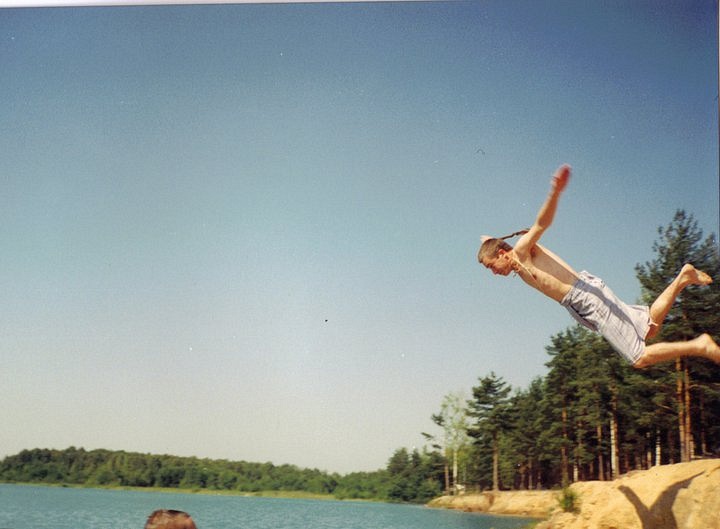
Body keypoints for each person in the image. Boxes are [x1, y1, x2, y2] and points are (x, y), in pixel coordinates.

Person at [477, 163, 719, 368]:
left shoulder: (520, 251)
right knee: (649, 329)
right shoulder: (514, 261)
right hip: (580, 301)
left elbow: (541, 224)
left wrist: (555, 192)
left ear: (502, 253)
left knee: (639, 357)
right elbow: (490, 242)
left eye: (491, 266)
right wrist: (486, 241)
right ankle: (683, 278)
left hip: (586, 298)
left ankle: (699, 345)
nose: (493, 272)